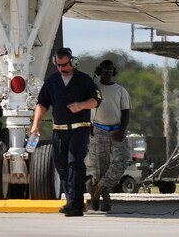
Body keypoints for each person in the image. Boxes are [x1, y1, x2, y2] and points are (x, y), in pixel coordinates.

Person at [30, 47, 102, 217]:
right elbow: (42, 103)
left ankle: (74, 204)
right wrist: (35, 125)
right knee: (61, 166)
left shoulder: (83, 80)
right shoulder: (52, 81)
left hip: (79, 129)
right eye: (59, 65)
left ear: (72, 62)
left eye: (65, 65)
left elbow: (96, 100)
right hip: (59, 131)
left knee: (75, 163)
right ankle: (71, 201)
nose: (62, 68)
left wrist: (81, 106)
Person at [88, 59, 131, 212]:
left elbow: (126, 112)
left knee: (123, 159)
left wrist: (122, 131)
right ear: (99, 71)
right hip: (98, 130)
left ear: (113, 72)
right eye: (104, 69)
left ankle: (97, 188)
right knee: (100, 167)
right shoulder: (93, 89)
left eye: (110, 69)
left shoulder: (120, 90)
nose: (107, 71)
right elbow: (85, 108)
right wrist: (88, 126)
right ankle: (105, 199)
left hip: (116, 130)